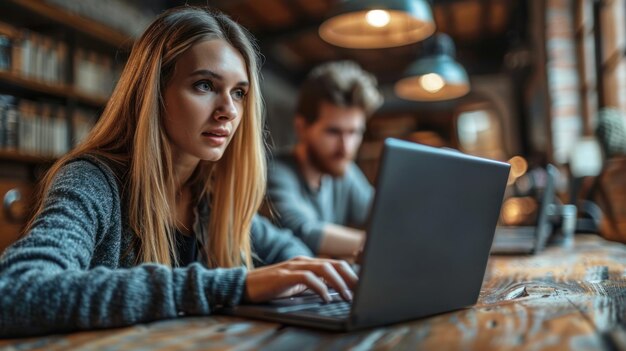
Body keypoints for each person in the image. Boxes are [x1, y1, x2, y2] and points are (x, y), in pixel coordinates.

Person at [0, 7, 356, 337]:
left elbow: (292, 257)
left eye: (239, 93)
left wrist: (340, 276)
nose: (228, 111)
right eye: (205, 85)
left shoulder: (211, 199)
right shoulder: (93, 182)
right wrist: (235, 285)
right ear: (152, 92)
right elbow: (15, 292)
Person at [265, 61, 383, 258]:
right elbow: (302, 231)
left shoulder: (345, 171)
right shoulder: (275, 171)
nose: (346, 147)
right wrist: (385, 245)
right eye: (333, 132)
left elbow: (380, 213)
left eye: (354, 132)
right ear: (302, 127)